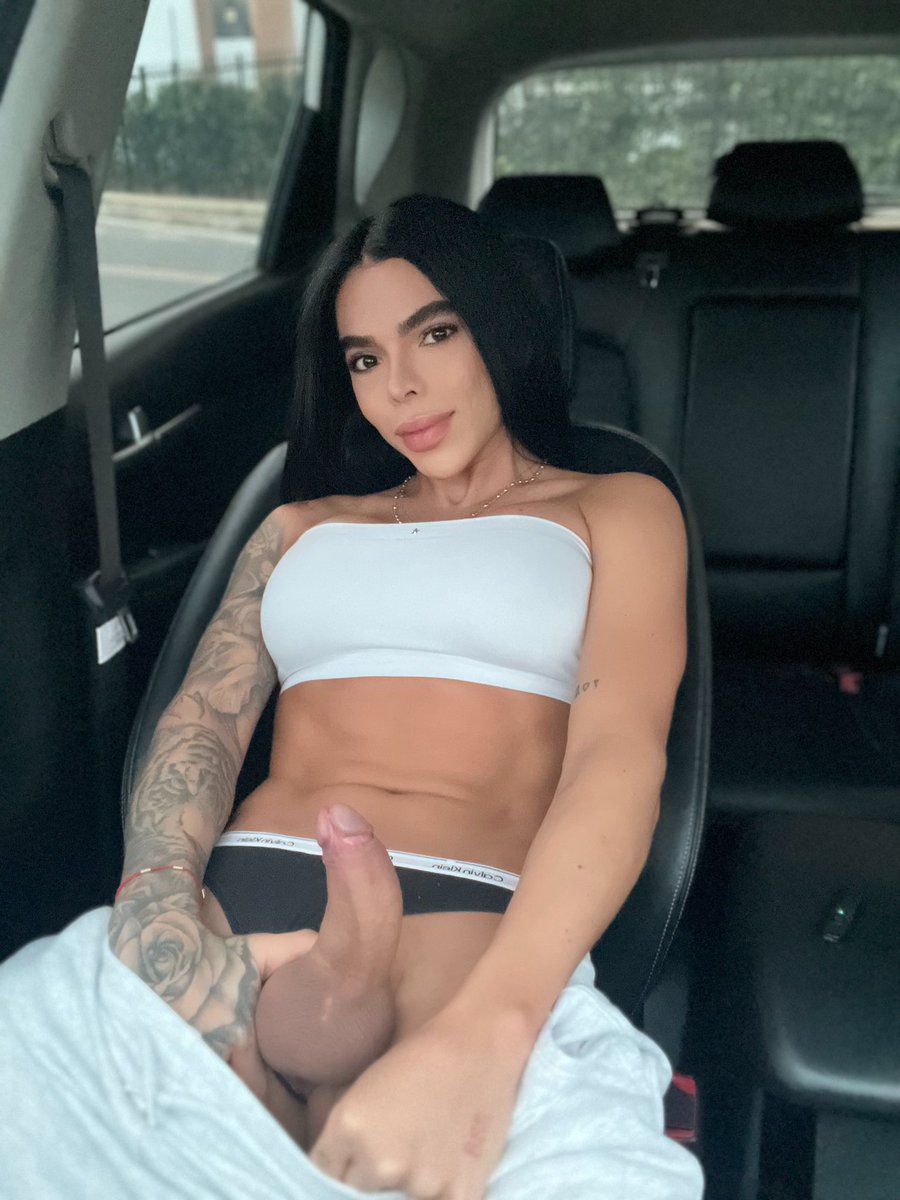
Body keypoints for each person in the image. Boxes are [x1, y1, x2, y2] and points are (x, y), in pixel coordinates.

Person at [5, 193, 704, 1199]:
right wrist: (155, 914)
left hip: (472, 932)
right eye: (366, 359)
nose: (400, 386)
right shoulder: (299, 526)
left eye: (436, 333)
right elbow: (202, 724)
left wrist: (491, 1030)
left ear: (498, 327)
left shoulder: (617, 508)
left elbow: (619, 757)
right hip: (239, 914)